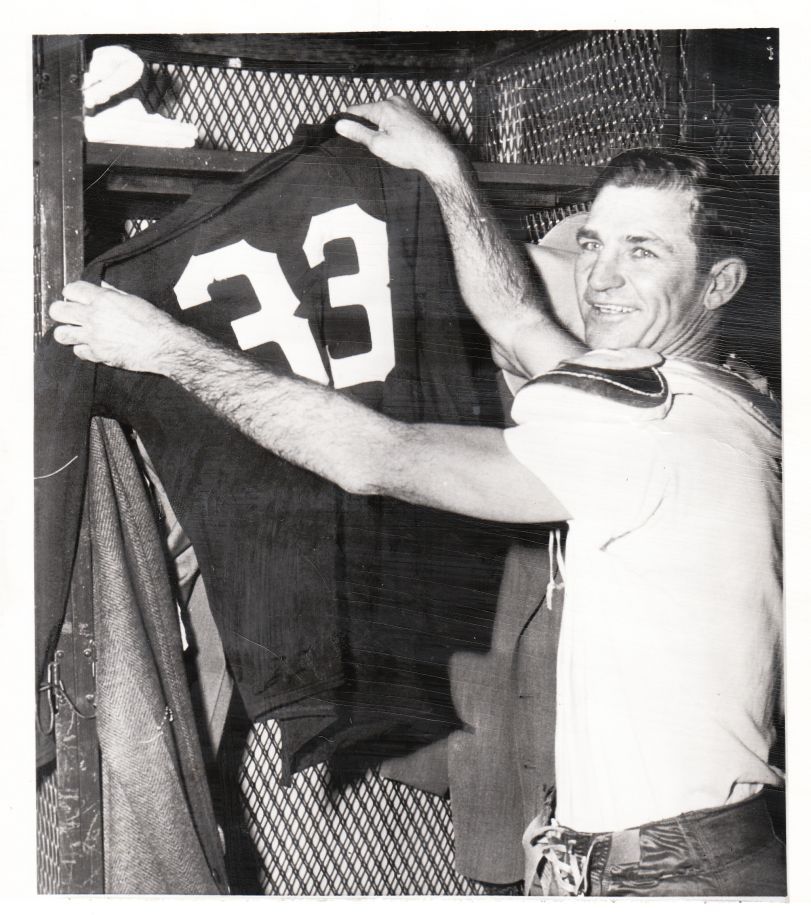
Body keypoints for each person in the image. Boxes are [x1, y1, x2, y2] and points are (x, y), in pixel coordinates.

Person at [50, 97, 784, 896]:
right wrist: (444, 172)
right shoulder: (705, 399)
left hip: (673, 875)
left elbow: (377, 456)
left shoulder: (651, 425)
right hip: (646, 853)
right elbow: (513, 321)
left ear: (720, 282)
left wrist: (167, 349)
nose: (601, 278)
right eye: (593, 243)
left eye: (642, 252)